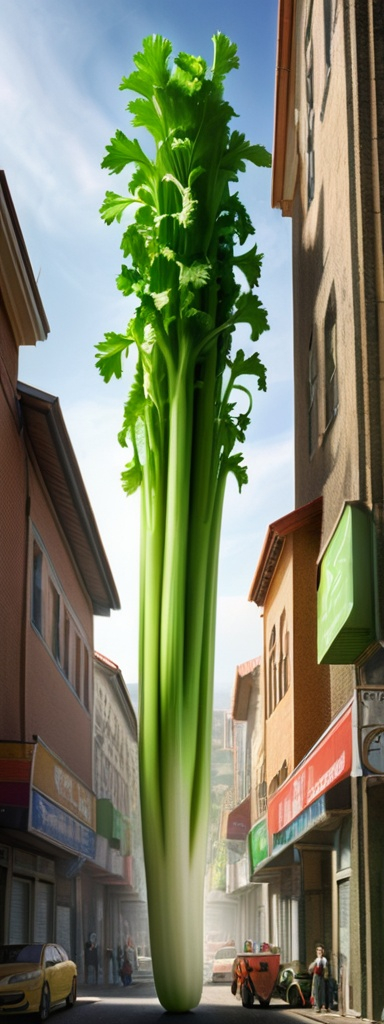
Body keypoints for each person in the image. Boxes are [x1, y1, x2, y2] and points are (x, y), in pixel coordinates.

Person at [309, 944, 328, 1012]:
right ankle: (317, 1005)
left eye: (320, 950)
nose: (318, 951)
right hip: (316, 976)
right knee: (316, 990)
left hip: (321, 976)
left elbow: (324, 967)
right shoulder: (316, 959)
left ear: (322, 951)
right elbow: (312, 968)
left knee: (322, 990)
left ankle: (323, 1005)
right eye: (317, 950)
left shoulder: (323, 959)